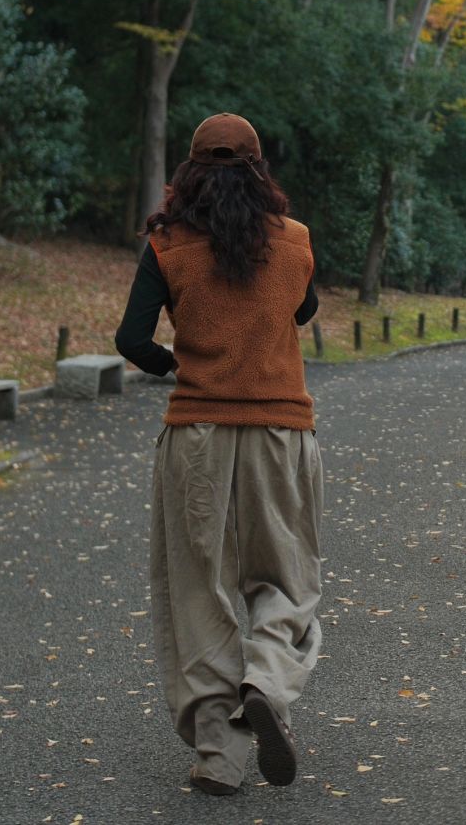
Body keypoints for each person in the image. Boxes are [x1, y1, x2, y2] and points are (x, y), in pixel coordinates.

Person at [114, 113, 323, 797]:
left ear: (189, 173)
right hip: (281, 433)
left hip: (197, 434)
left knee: (198, 590)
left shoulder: (166, 244)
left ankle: (219, 755)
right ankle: (265, 680)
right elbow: (300, 310)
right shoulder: (294, 242)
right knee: (286, 578)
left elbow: (131, 339)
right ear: (261, 169)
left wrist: (176, 362)